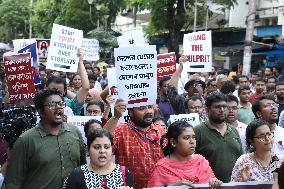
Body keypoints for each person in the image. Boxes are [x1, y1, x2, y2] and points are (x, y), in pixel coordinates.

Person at [5, 88, 86, 189]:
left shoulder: (74, 132)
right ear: (41, 112)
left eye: (61, 104)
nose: (58, 108)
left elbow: (82, 168)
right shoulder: (26, 140)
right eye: (52, 105)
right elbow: (13, 181)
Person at [103, 100, 166, 189]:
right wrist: (116, 117)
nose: (148, 111)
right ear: (131, 112)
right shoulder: (121, 131)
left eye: (150, 107)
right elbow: (102, 141)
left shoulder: (160, 131)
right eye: (142, 108)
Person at [147, 121, 222, 188]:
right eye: (186, 138)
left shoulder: (201, 161)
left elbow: (211, 182)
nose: (192, 141)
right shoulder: (162, 168)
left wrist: (214, 183)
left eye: (194, 137)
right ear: (173, 142)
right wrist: (173, 187)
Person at [194, 91, 243, 182]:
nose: (222, 110)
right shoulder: (198, 131)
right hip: (208, 186)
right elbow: (191, 162)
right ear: (207, 110)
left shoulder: (234, 131)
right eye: (217, 107)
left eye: (224, 106)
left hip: (234, 186)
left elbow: (241, 160)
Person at [63, 129, 133, 189]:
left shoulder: (123, 173)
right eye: (97, 147)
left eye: (106, 147)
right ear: (88, 150)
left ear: (112, 149)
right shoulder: (76, 175)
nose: (102, 151)